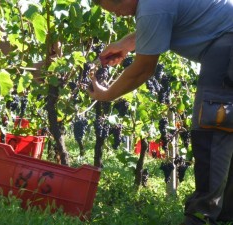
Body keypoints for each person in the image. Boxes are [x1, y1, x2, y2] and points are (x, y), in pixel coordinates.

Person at [88, 0, 233, 224]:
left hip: (228, 41)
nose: (116, 13)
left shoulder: (150, 6)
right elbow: (165, 19)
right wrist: (127, 43)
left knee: (212, 123)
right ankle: (225, 214)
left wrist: (106, 95)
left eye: (113, 6)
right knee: (226, 129)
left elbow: (143, 69)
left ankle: (200, 216)